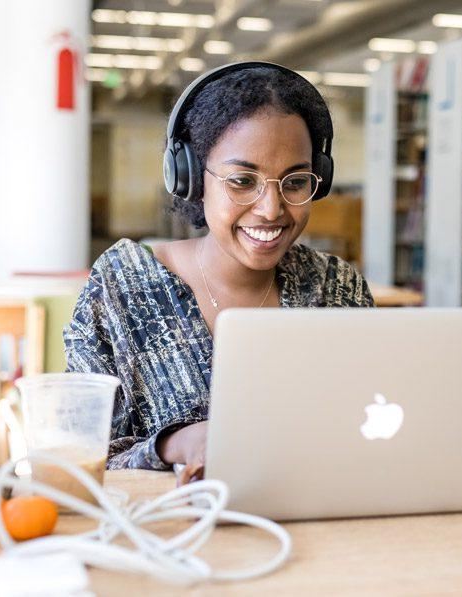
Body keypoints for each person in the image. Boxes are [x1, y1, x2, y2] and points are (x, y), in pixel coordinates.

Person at [64, 63, 375, 485]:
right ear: (191, 178)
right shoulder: (123, 287)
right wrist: (171, 445)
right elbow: (74, 457)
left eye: (295, 181)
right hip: (167, 537)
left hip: (319, 524)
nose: (271, 208)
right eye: (242, 180)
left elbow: (371, 429)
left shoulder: (338, 289)